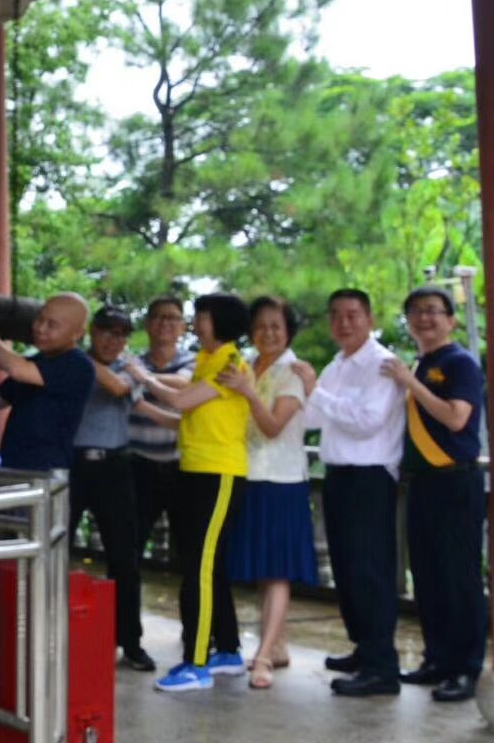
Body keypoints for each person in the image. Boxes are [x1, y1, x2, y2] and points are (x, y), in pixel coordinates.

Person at [134, 292, 251, 693]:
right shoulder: (205, 360)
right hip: (196, 469)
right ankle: (228, 651)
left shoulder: (230, 364)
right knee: (208, 566)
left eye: (202, 317)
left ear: (220, 322)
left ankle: (197, 663)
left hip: (219, 474)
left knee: (199, 568)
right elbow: (183, 419)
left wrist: (141, 377)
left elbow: (181, 399)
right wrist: (141, 402)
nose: (196, 323)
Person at [381, 285, 487, 702]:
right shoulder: (420, 364)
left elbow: (457, 419)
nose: (423, 318)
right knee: (427, 575)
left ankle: (466, 668)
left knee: (459, 577)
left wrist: (410, 382)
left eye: (432, 311)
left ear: (450, 320)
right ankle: (437, 660)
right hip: (422, 483)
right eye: (416, 312)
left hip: (455, 481)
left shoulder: (460, 363)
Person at [302, 288, 405, 697]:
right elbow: (313, 416)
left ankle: (382, 667)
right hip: (339, 475)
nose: (343, 323)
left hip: (370, 479)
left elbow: (367, 421)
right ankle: (365, 648)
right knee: (347, 569)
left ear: (369, 319)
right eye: (336, 315)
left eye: (352, 315)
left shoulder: (382, 364)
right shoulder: (338, 364)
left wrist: (315, 391)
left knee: (370, 571)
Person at [69, 305, 178, 673]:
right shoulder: (68, 362)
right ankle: (53, 632)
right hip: (71, 466)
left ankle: (129, 641)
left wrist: (75, 353)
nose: (113, 340)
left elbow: (118, 389)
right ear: (91, 331)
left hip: (114, 467)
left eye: (121, 334)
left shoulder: (130, 368)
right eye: (106, 331)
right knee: (56, 551)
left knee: (125, 558)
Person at [219, 296, 318, 690]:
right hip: (247, 474)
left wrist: (247, 391)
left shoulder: (292, 371)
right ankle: (276, 645)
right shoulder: (246, 364)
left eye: (276, 326)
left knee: (277, 570)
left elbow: (274, 426)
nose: (268, 333)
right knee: (264, 568)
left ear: (289, 331)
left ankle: (262, 657)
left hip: (281, 480)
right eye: (260, 326)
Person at [0, 292, 95, 475]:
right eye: (39, 319)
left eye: (52, 325)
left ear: (78, 334)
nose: (40, 328)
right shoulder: (38, 361)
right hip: (11, 463)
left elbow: (17, 369)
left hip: (46, 470)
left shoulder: (78, 364)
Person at [128, 296, 193, 564]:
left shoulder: (195, 362)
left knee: (188, 548)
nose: (165, 323)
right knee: (131, 543)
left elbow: (184, 385)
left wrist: (144, 379)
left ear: (183, 326)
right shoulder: (133, 362)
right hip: (138, 464)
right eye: (158, 317)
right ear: (147, 324)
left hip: (182, 465)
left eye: (172, 318)